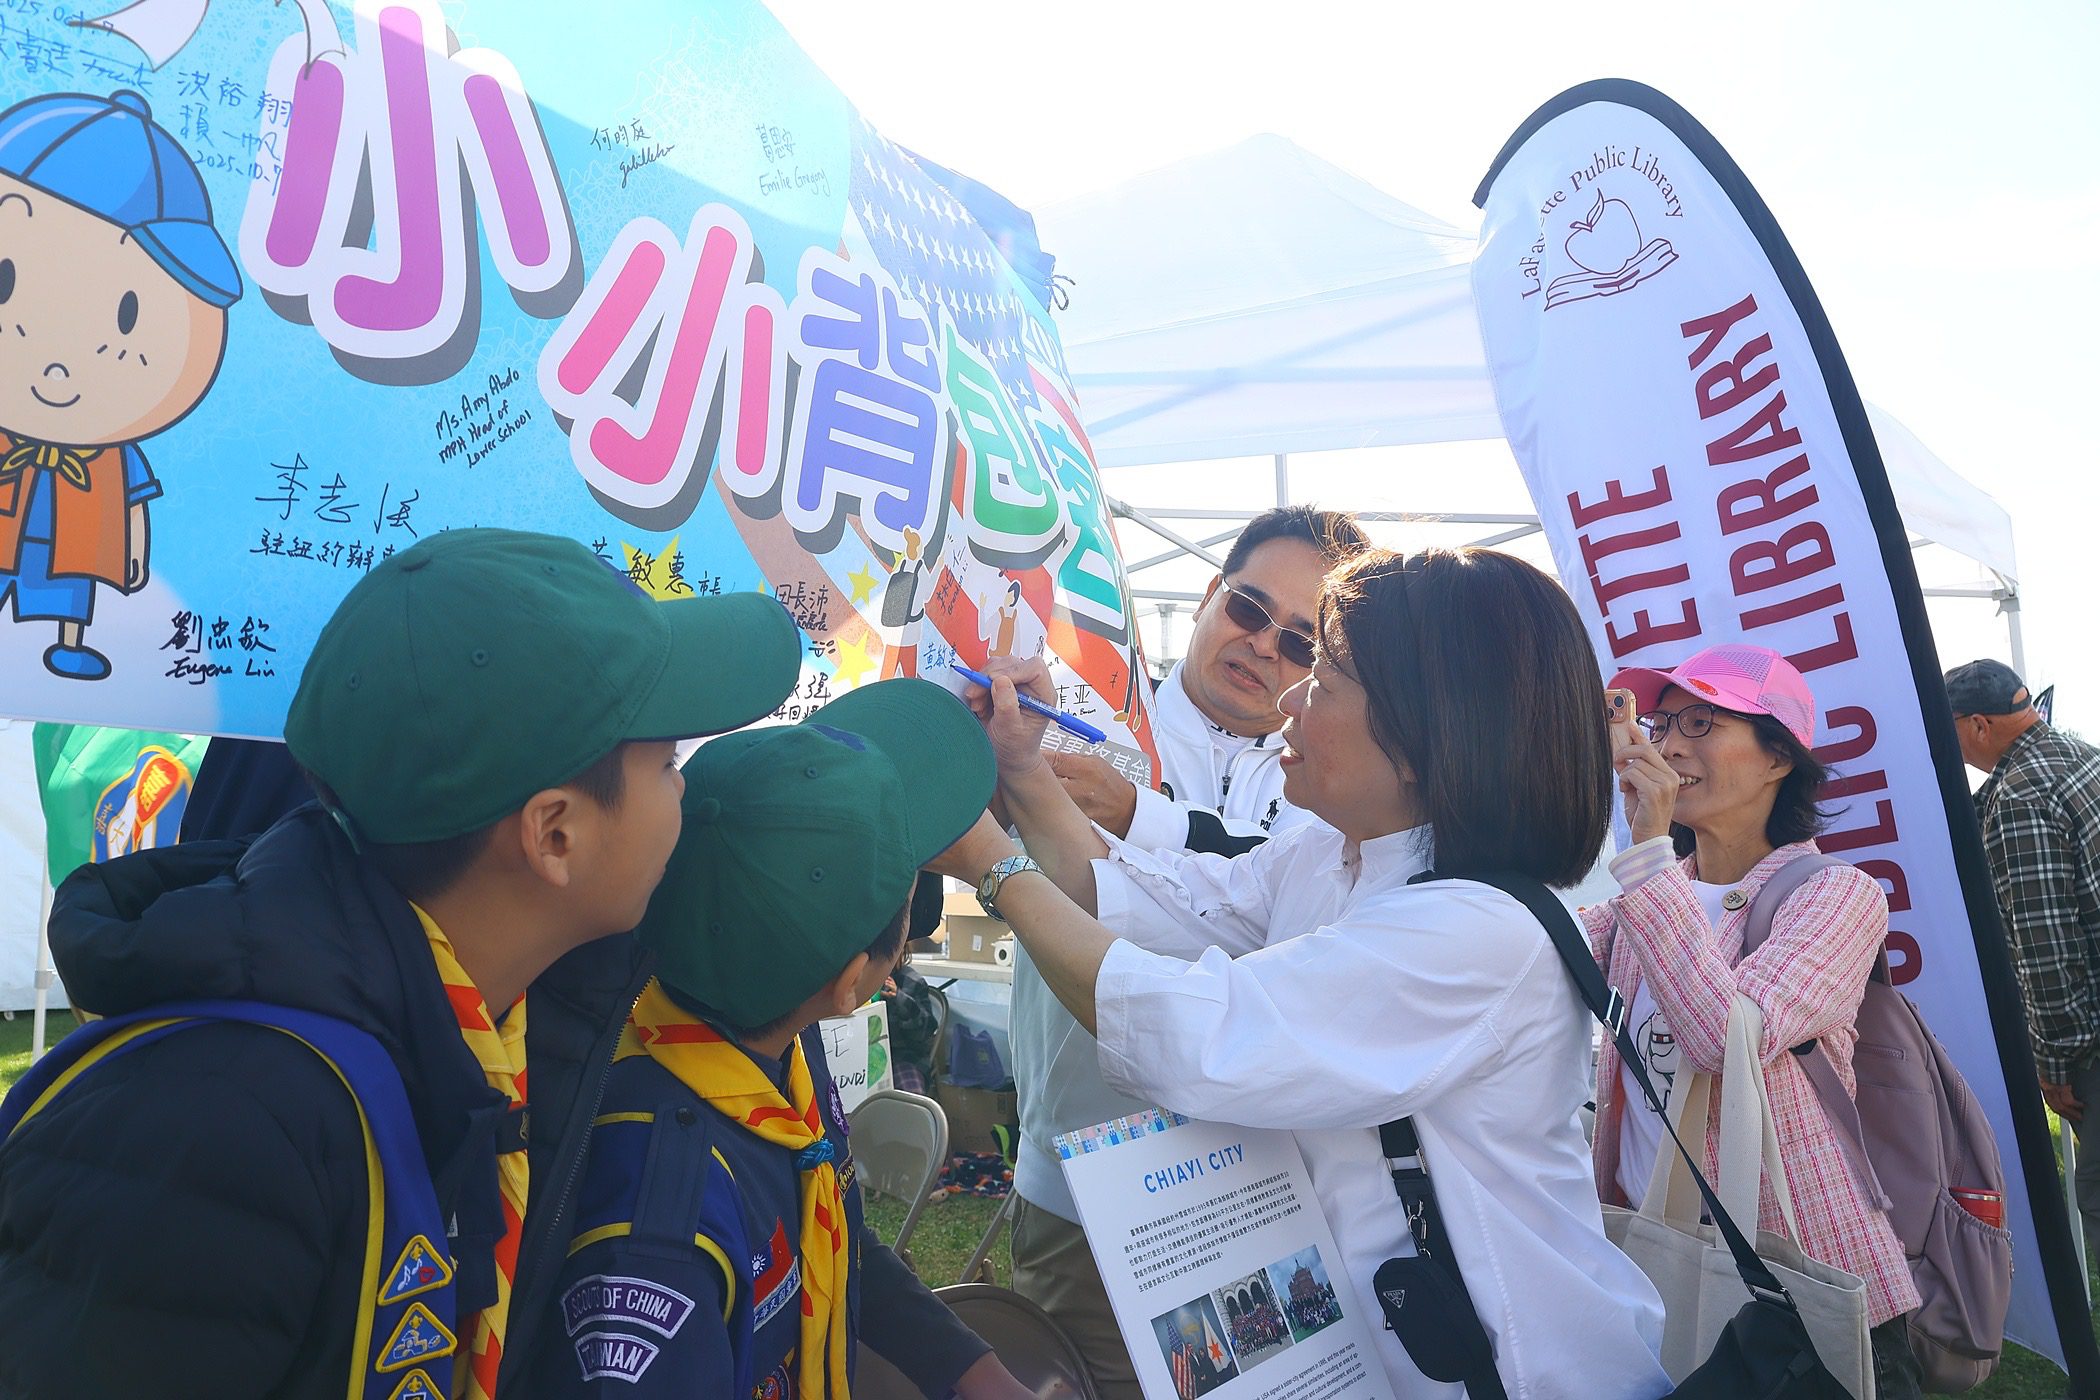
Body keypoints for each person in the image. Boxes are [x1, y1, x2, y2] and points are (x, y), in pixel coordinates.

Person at [0, 528, 802, 1398]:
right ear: (555, 833)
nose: (685, 789)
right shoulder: (217, 1125)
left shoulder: (468, 1037)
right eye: (668, 761)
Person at [937, 546, 1671, 1398]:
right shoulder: (1333, 858)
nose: (1290, 695)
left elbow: (1196, 1035)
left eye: (1321, 676)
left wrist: (990, 860)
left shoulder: (1474, 932)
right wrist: (1023, 773)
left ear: (1422, 736)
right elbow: (1135, 900)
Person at [531, 678, 1031, 1399]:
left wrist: (967, 1368)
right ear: (854, 985)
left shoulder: (770, 1043)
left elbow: (831, 1225)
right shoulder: (659, 1231)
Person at [1009, 504, 1367, 1397]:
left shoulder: (1325, 772)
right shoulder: (1087, 715)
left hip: (1266, 1191)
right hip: (1094, 1175)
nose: (1261, 649)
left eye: (1300, 645)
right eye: (1248, 609)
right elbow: (1082, 874)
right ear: (1209, 595)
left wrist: (1142, 818)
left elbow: (1273, 882)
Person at [1602, 643, 1921, 1397]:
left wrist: (1646, 853)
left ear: (1779, 756)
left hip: (1801, 1279)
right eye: (1662, 720)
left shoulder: (1837, 895)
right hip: (1658, 1261)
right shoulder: (1632, 902)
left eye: (1702, 722)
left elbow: (1725, 1039)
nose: (1669, 743)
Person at [1945, 657, 2100, 1248]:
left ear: (1980, 726)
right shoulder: (2078, 756)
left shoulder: (2019, 797)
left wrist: (2057, 1065)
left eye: (1951, 726)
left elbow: (2046, 947)